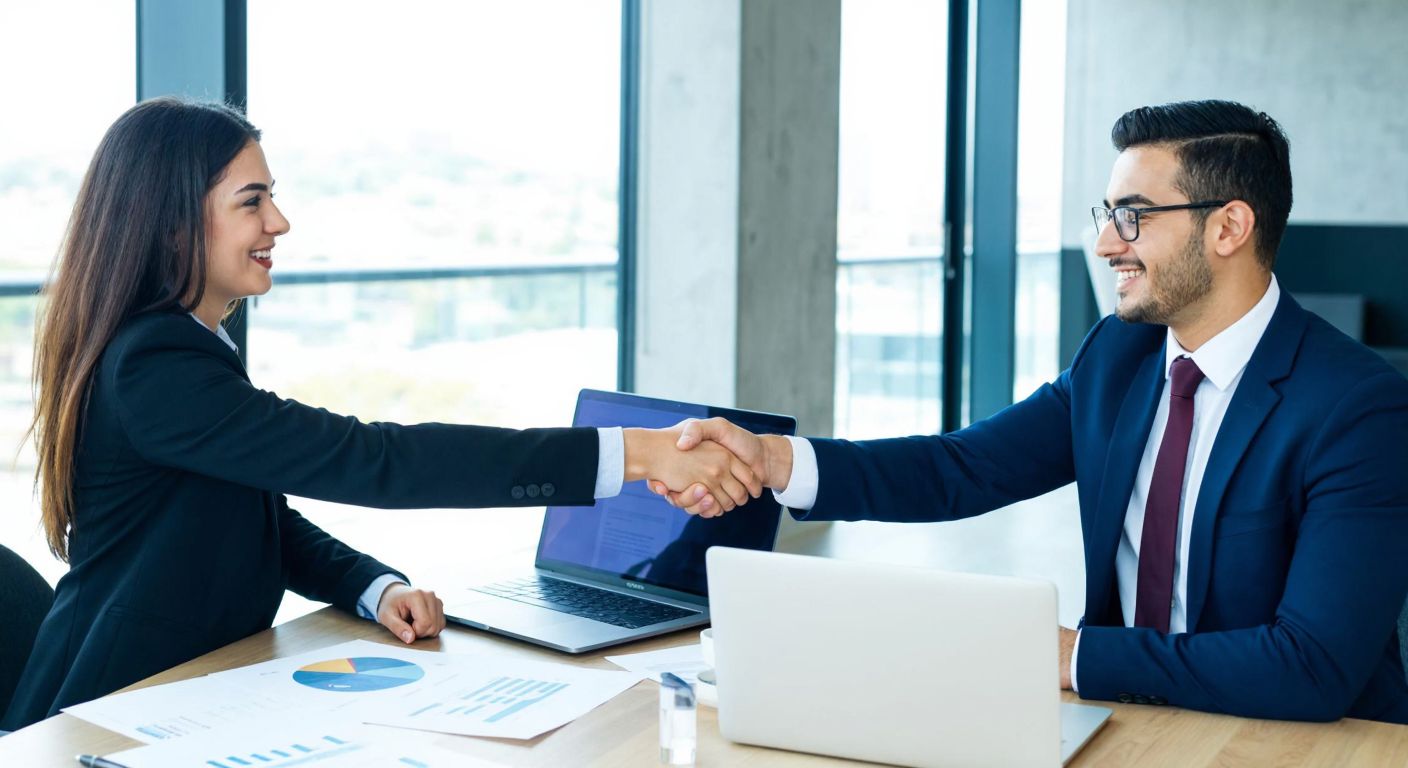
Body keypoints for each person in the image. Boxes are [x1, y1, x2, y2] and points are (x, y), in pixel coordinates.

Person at [1, 97, 761, 730]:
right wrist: (632, 452)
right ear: (172, 222)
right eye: (252, 201)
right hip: (114, 710)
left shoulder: (181, 346)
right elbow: (378, 461)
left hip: (194, 689)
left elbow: (248, 515)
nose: (279, 223)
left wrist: (372, 587)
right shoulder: (156, 364)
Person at [654, 100, 1408, 723]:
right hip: (1130, 718)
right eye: (1108, 213)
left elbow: (1312, 666)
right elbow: (962, 467)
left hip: (1295, 741)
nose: (1108, 242)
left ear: (1229, 228)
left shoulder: (1356, 410)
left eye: (1135, 217)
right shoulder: (1119, 356)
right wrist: (778, 460)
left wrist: (1068, 655)